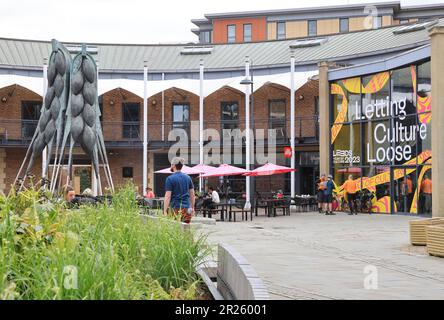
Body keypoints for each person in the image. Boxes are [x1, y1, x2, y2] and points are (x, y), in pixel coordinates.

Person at [163, 157, 195, 224]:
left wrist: (165, 210)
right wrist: (192, 208)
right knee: (186, 229)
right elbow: (192, 195)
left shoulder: (170, 179)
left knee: (175, 229)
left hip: (175, 208)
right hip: (187, 208)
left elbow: (168, 196)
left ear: (174, 165)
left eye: (171, 164)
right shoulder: (188, 177)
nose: (171, 166)